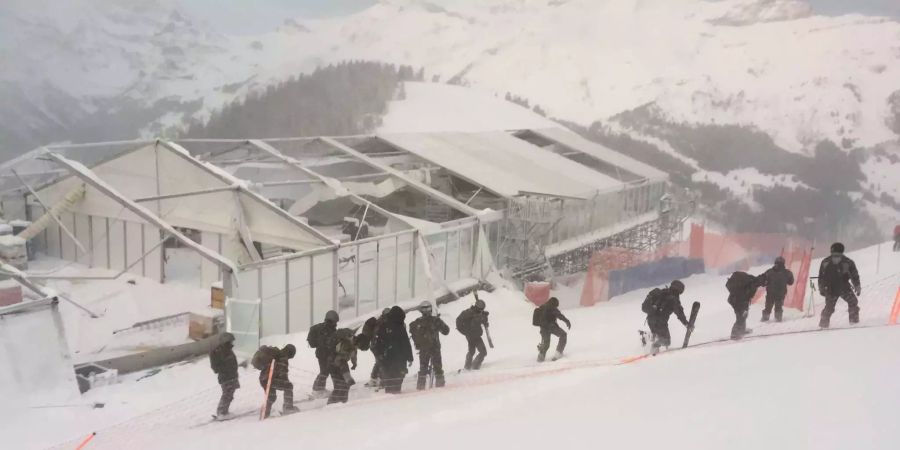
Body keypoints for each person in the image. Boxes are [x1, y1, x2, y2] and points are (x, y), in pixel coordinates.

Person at [818, 242, 861, 328]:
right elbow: (854, 275)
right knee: (853, 302)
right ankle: (854, 322)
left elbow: (821, 277)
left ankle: (823, 324)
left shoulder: (825, 262)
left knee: (829, 307)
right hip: (844, 288)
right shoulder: (848, 262)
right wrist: (857, 286)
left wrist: (822, 288)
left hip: (830, 289)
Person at [409, 301, 450, 389]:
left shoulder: (417, 322)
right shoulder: (435, 320)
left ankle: (420, 387)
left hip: (424, 349)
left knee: (423, 369)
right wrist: (439, 322)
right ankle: (440, 387)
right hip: (435, 347)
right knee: (438, 368)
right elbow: (446, 331)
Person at [373, 306, 413, 394]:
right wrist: (410, 357)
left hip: (386, 358)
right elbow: (406, 343)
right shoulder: (400, 327)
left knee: (389, 378)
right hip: (400, 359)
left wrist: (379, 355)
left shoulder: (383, 326)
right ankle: (395, 393)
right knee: (398, 378)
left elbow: (378, 343)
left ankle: (390, 394)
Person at [641, 280, 690, 351]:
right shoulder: (673, 299)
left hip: (650, 319)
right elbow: (679, 313)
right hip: (660, 322)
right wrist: (686, 323)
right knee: (666, 341)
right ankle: (649, 337)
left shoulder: (662, 292)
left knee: (659, 338)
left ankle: (653, 352)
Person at [258, 344, 298, 418]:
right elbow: (282, 373)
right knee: (288, 386)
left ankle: (264, 415)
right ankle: (288, 408)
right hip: (270, 379)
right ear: (290, 353)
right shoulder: (283, 357)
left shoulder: (277, 354)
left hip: (264, 379)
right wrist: (286, 382)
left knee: (271, 397)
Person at [726, 271, 765, 339]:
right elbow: (748, 294)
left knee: (742, 315)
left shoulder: (750, 279)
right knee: (742, 316)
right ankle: (734, 334)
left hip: (734, 299)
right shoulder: (753, 283)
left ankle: (741, 330)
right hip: (740, 301)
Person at [307, 310, 339, 394]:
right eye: (335, 321)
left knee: (325, 371)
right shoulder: (325, 329)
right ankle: (318, 389)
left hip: (323, 353)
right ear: (331, 320)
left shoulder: (327, 328)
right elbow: (326, 343)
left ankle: (318, 388)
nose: (336, 323)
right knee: (325, 371)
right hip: (323, 354)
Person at [456, 293, 490, 370]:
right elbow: (459, 322)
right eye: (481, 309)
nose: (482, 310)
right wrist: (465, 331)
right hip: (472, 336)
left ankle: (468, 366)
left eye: (483, 309)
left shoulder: (477, 313)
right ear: (477, 308)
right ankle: (474, 366)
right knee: (482, 352)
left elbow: (481, 320)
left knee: (472, 351)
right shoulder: (469, 313)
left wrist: (485, 319)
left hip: (475, 335)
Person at [209, 333, 239, 420]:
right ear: (226, 341)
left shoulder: (227, 350)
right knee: (227, 394)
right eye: (230, 341)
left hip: (231, 376)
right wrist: (227, 369)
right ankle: (221, 412)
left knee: (229, 394)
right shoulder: (219, 351)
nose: (232, 343)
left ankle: (224, 411)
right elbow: (216, 368)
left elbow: (231, 362)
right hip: (226, 377)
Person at [327, 328, 358, 404]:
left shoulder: (352, 345)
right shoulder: (345, 345)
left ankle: (342, 402)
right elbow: (340, 361)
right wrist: (348, 378)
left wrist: (354, 363)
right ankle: (332, 403)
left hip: (336, 363)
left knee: (343, 386)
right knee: (340, 386)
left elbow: (353, 355)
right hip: (333, 365)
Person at [535, 297, 571, 362]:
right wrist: (567, 321)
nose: (556, 307)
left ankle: (540, 358)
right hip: (551, 327)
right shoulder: (551, 307)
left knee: (546, 344)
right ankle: (558, 354)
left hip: (543, 328)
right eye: (556, 305)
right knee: (563, 335)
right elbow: (559, 315)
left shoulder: (542, 307)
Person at [760, 256, 795, 322]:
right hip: (781, 294)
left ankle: (764, 320)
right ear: (783, 263)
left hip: (770, 293)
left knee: (768, 308)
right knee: (778, 308)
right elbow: (791, 282)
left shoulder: (769, 272)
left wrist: (766, 283)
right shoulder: (787, 273)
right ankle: (778, 320)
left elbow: (762, 281)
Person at [364, 308, 390, 388]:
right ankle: (382, 381)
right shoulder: (384, 323)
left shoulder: (379, 321)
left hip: (374, 346)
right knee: (382, 362)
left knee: (379, 362)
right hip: (378, 346)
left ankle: (374, 379)